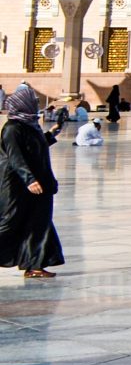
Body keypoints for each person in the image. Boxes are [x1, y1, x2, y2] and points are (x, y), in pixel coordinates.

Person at [0, 85, 64, 279]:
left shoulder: (30, 125)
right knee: (10, 222)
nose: (35, 104)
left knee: (38, 223)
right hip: (17, 185)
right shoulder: (12, 128)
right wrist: (29, 180)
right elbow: (16, 157)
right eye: (32, 101)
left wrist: (52, 134)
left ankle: (34, 265)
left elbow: (35, 148)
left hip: (40, 182)